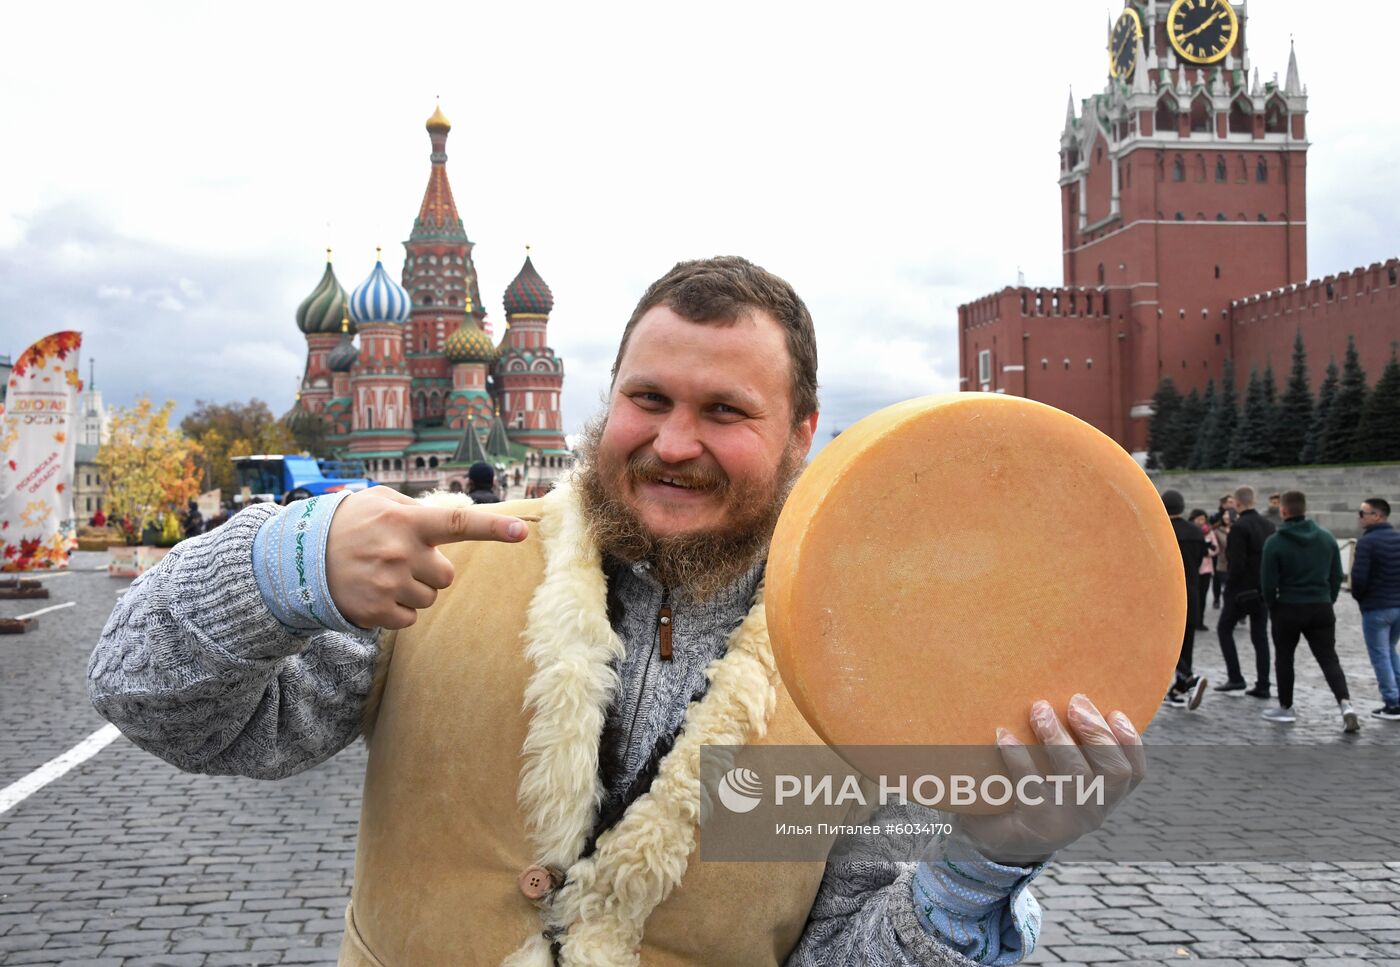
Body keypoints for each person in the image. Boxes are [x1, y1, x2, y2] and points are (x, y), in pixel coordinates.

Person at [88, 256, 1143, 966]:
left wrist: (973, 874)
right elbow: (161, 705)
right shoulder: (442, 578)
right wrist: (286, 559)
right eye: (648, 399)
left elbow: (835, 952)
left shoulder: (843, 672)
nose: (672, 441)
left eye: (724, 410)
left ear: (801, 433)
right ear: (604, 397)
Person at [1259, 490, 1359, 732]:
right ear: (1305, 509)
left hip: (1288, 607)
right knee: (1328, 658)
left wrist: (1272, 604)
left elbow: (1268, 582)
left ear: (1283, 511)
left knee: (1285, 657)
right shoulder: (1326, 537)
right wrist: (1328, 598)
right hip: (1321, 606)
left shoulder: (1275, 542)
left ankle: (1286, 707)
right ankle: (1345, 703)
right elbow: (1337, 575)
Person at [1215, 486, 1274, 695]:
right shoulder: (1268, 525)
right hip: (1262, 590)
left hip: (1240, 591)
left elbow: (1236, 564)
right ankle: (1264, 684)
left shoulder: (1239, 527)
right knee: (1260, 637)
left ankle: (1235, 676)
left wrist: (1228, 589)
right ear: (1255, 500)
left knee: (1224, 629)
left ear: (1237, 504)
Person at [1351, 497, 1400, 721]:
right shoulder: (1397, 538)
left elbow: (1359, 579)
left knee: (1380, 654)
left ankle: (1392, 702)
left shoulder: (1367, 542)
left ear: (1377, 516)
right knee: (1389, 651)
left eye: (1363, 513)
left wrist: (1360, 599)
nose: (1360, 517)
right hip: (1397, 605)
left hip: (1377, 607)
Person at [1163, 491, 1208, 709]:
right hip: (1192, 592)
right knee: (1186, 643)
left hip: (1167, 595)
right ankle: (1179, 689)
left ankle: (1190, 679)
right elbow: (1199, 561)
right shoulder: (1196, 532)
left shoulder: (1162, 529)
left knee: (1164, 645)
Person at [1189, 509, 1217, 632]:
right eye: (1198, 519)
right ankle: (1192, 620)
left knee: (1203, 596)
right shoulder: (1189, 532)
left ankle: (1200, 621)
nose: (1201, 521)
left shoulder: (1209, 533)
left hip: (1205, 569)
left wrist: (1206, 552)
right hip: (1193, 569)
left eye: (1203, 519)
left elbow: (1216, 549)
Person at [1210, 508, 1233, 609]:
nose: (1226, 517)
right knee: (1226, 587)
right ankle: (1218, 600)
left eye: (1228, 514)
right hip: (1222, 563)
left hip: (1236, 563)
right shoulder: (1217, 531)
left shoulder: (1239, 529)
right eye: (1225, 514)